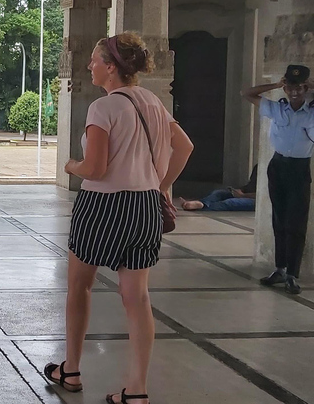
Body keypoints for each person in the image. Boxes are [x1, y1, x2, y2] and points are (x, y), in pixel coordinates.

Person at [43, 33, 193, 404]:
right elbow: (185, 146)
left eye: (94, 61)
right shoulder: (153, 102)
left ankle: (72, 370)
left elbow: (94, 168)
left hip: (102, 207)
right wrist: (159, 185)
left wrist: (69, 164)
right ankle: (137, 389)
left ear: (111, 67)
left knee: (80, 286)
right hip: (144, 207)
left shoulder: (104, 108)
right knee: (137, 298)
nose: (90, 66)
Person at [241, 65, 314, 295]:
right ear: (285, 88)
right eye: (290, 87)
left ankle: (292, 274)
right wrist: (275, 85)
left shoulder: (311, 112)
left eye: (300, 87)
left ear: (306, 87)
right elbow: (247, 93)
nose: (294, 92)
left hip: (299, 168)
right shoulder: (276, 109)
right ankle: (280, 269)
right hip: (278, 166)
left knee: (297, 223)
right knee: (279, 219)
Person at [176, 165, 257, 212]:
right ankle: (201, 203)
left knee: (229, 203)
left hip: (255, 201)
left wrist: (243, 196)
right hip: (245, 194)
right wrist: (240, 190)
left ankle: (203, 208)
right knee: (219, 193)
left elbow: (265, 196)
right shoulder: (258, 167)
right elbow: (251, 184)